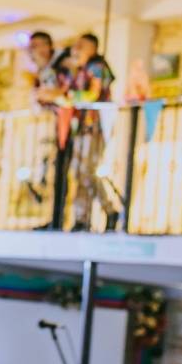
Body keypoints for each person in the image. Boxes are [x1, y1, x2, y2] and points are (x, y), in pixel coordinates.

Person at [55, 34, 117, 232]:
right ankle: (89, 216)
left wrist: (65, 96)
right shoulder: (78, 70)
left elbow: (93, 94)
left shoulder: (97, 67)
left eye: (80, 46)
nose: (75, 50)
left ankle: (91, 216)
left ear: (92, 49)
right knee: (79, 172)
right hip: (80, 126)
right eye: (74, 46)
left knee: (86, 173)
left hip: (94, 127)